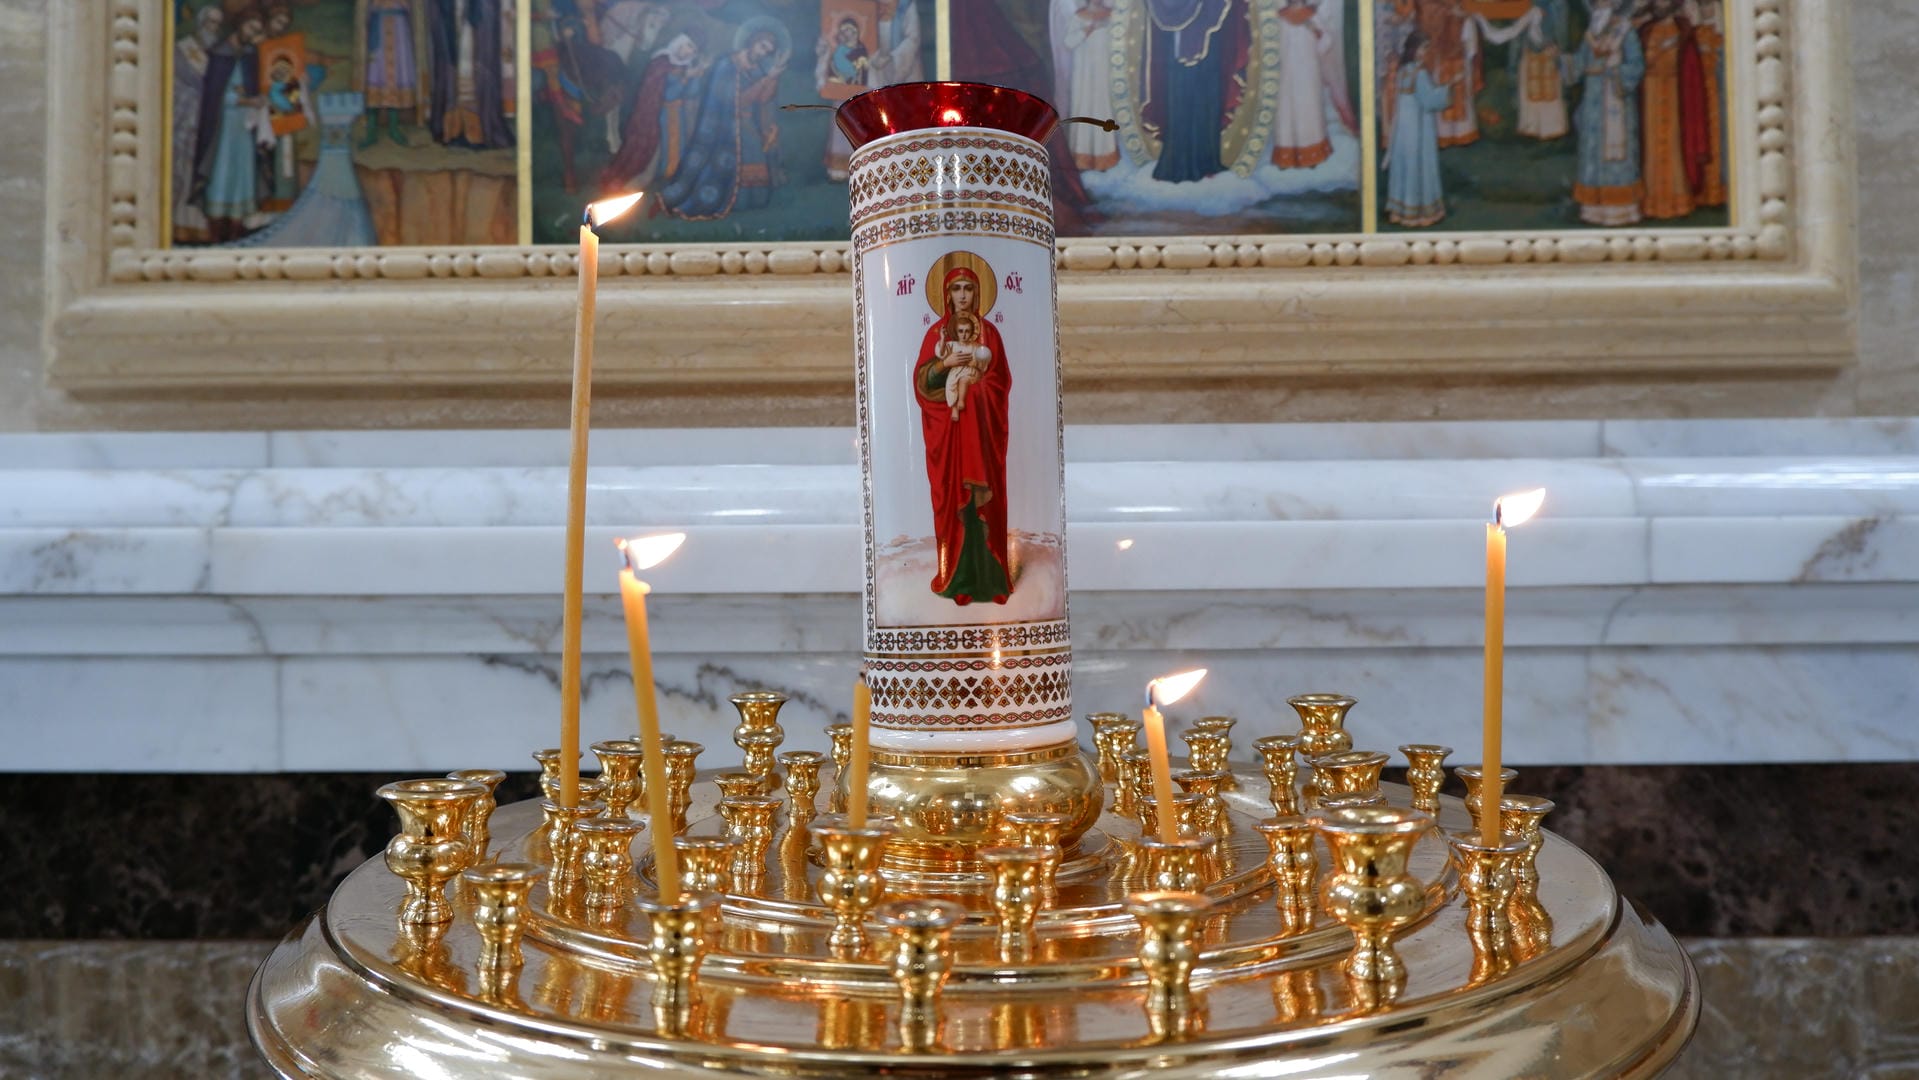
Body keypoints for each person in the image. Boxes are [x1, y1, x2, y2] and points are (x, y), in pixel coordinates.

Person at [913, 267, 1011, 606]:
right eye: (956, 289)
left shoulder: (990, 334)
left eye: (969, 288)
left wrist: (977, 391)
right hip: (950, 436)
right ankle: (957, 579)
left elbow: (1000, 382)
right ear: (947, 294)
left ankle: (994, 580)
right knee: (955, 502)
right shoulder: (936, 335)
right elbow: (923, 385)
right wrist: (945, 365)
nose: (963, 295)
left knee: (986, 503)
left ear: (978, 293)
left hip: (980, 435)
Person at [656, 25, 787, 220]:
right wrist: (767, 78)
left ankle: (750, 200)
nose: (762, 53)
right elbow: (734, 100)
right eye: (762, 46)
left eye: (767, 51)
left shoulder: (757, 69)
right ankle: (731, 200)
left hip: (747, 122)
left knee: (755, 152)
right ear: (752, 42)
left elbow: (762, 99)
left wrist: (772, 79)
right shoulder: (727, 65)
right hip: (723, 125)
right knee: (730, 157)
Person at [1142, 0, 1248, 182]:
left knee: (1207, 99)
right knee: (1180, 100)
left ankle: (1208, 162)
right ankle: (1177, 166)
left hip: (1209, 40)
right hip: (1177, 44)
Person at [817, 0, 921, 180]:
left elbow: (913, 38)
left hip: (892, 68)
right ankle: (843, 164)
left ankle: (888, 164)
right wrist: (827, 45)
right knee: (848, 110)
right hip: (859, 67)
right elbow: (835, 28)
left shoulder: (904, 5)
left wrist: (893, 59)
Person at [1562, 0, 1646, 225]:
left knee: (1615, 153)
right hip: (1592, 101)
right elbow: (1580, 62)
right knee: (1592, 150)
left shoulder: (1624, 30)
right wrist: (1561, 61)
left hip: (1614, 97)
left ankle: (1619, 210)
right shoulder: (1592, 30)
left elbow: (1636, 64)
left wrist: (1615, 70)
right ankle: (1593, 209)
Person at [600, 32, 703, 193]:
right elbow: (664, 93)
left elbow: (691, 93)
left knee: (673, 155)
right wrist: (685, 78)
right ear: (680, 42)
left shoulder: (686, 67)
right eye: (689, 46)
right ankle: (625, 185)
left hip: (677, 120)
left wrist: (694, 77)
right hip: (656, 118)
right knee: (648, 155)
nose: (690, 52)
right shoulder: (660, 62)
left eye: (694, 50)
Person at [1637, 0, 1707, 219]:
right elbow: (1640, 62)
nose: (1661, 3)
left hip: (1677, 93)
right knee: (1651, 146)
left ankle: (1679, 199)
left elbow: (1692, 68)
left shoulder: (1684, 30)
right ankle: (1651, 201)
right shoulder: (1646, 30)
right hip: (1650, 93)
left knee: (1676, 144)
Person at [1383, 32, 1453, 227]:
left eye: (1426, 48)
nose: (1425, 52)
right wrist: (1447, 88)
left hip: (1403, 129)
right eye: (1423, 48)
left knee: (1405, 164)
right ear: (1414, 50)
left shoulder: (1403, 71)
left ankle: (1400, 211)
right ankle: (1419, 213)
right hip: (1418, 128)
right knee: (1420, 164)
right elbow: (1429, 100)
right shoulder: (1419, 73)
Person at [1474, 1, 1568, 139]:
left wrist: (1554, 48)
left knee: (1548, 96)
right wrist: (1481, 20)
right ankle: (1533, 128)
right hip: (1531, 60)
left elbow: (1559, 39)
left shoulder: (1556, 9)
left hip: (1548, 60)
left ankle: (1550, 130)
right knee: (1533, 94)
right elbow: (1503, 35)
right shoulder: (1530, 12)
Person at [171, 3, 225, 242]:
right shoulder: (183, 49)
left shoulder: (217, 52)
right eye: (210, 22)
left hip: (203, 124)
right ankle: (175, 221)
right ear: (201, 22)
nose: (212, 27)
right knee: (179, 170)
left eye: (217, 23)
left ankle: (193, 223)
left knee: (198, 172)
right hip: (183, 120)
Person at [1049, 0, 1118, 172]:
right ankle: (1083, 158)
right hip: (1083, 75)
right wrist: (1085, 32)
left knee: (1102, 108)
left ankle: (1105, 158)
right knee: (1084, 107)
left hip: (1103, 73)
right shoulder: (1079, 16)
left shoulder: (1111, 15)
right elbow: (1069, 42)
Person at [1270, 0, 1334, 168]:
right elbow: (1273, 43)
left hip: (1307, 71)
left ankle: (1311, 156)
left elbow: (1327, 41)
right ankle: (1286, 157)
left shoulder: (1312, 15)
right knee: (1287, 111)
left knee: (1308, 110)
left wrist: (1316, 35)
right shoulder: (1280, 16)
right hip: (1287, 71)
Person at [357, 0, 425, 147]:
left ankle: (393, 128)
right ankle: (371, 131)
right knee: (374, 75)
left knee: (398, 75)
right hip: (378, 25)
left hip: (399, 27)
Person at [1686, 0, 1726, 206]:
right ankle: (1702, 192)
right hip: (1697, 93)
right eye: (1702, 5)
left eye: (1709, 5)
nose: (1706, 9)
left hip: (1718, 94)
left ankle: (1717, 191)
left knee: (1720, 139)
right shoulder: (1693, 33)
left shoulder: (1721, 35)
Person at [940, 314, 992, 420]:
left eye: (967, 331)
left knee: (963, 380)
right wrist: (942, 339)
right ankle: (954, 408)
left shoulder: (976, 346)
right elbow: (941, 353)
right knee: (950, 385)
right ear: (956, 332)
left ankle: (961, 400)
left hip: (971, 372)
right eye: (961, 331)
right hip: (956, 372)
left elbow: (983, 361)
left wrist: (979, 364)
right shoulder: (952, 345)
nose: (964, 335)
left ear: (972, 332)